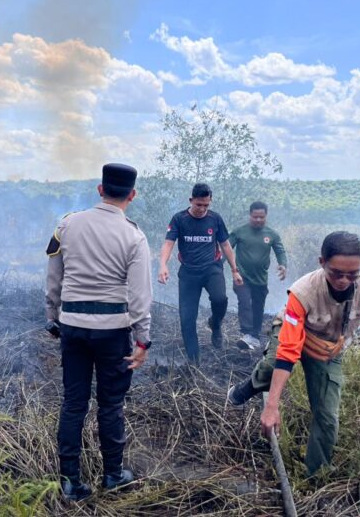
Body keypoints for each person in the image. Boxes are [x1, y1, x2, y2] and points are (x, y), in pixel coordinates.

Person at [228, 231, 360, 476]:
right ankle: (250, 386)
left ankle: (315, 475)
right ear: (322, 262)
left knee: (328, 417)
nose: (343, 280)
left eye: (352, 274)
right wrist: (272, 406)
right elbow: (288, 352)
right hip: (293, 331)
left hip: (328, 347)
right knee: (272, 365)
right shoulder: (303, 292)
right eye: (336, 273)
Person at [45, 163, 153, 501]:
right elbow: (139, 295)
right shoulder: (134, 236)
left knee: (74, 403)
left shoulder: (66, 225)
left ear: (99, 189)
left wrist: (53, 316)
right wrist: (142, 338)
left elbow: (54, 280)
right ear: (132, 195)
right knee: (110, 405)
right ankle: (112, 475)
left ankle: (69, 481)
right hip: (113, 333)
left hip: (73, 328)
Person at [157, 183, 243, 363]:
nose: (202, 209)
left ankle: (216, 324)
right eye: (199, 205)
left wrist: (235, 270)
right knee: (187, 318)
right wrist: (163, 265)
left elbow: (225, 245)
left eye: (206, 205)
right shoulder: (179, 219)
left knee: (220, 299)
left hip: (212, 268)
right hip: (188, 272)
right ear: (191, 201)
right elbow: (168, 243)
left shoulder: (215, 219)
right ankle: (194, 361)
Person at [228, 201, 287, 351]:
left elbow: (280, 251)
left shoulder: (271, 234)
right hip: (241, 276)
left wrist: (283, 265)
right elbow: (226, 249)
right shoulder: (240, 231)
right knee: (244, 301)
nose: (258, 220)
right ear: (250, 215)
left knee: (258, 307)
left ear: (266, 216)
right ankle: (247, 333)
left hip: (260, 279)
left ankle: (255, 335)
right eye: (255, 217)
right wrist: (216, 265)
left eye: (261, 217)